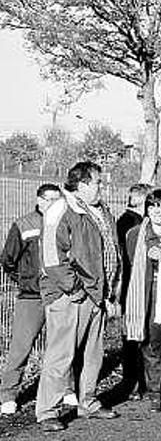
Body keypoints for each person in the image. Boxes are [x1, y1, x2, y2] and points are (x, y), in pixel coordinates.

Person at [36, 161, 121, 432]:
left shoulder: (100, 210)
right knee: (61, 355)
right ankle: (47, 410)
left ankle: (88, 401)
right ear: (82, 183)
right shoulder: (61, 209)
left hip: (97, 294)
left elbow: (109, 251)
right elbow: (52, 257)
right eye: (97, 182)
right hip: (71, 295)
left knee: (93, 354)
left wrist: (109, 291)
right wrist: (74, 289)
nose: (101, 186)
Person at [0, 184, 68, 416]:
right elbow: (8, 259)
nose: (53, 204)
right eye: (49, 199)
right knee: (21, 347)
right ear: (39, 200)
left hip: (60, 294)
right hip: (31, 297)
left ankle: (66, 389)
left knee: (61, 345)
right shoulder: (24, 224)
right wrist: (26, 280)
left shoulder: (65, 222)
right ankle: (8, 394)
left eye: (57, 199)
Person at [124, 188, 161, 413]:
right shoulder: (136, 234)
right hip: (148, 291)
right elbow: (129, 264)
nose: (156, 211)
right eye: (152, 206)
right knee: (152, 343)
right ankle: (155, 391)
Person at [117, 182, 151, 399]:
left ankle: (137, 380)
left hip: (130, 285)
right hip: (132, 286)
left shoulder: (125, 221)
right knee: (134, 336)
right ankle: (135, 380)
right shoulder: (131, 224)